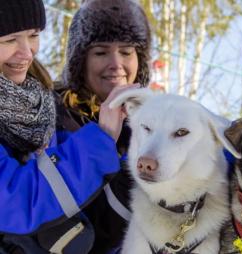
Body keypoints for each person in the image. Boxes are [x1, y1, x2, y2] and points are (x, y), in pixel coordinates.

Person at [0, 0, 133, 253]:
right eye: (9, 40)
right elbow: (17, 202)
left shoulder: (42, 106)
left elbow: (80, 218)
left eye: (33, 36)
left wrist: (140, 169)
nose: (27, 52)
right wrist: (100, 139)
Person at [57, 0, 151, 253]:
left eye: (127, 51)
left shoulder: (146, 127)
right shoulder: (58, 119)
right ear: (80, 61)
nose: (116, 64)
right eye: (101, 52)